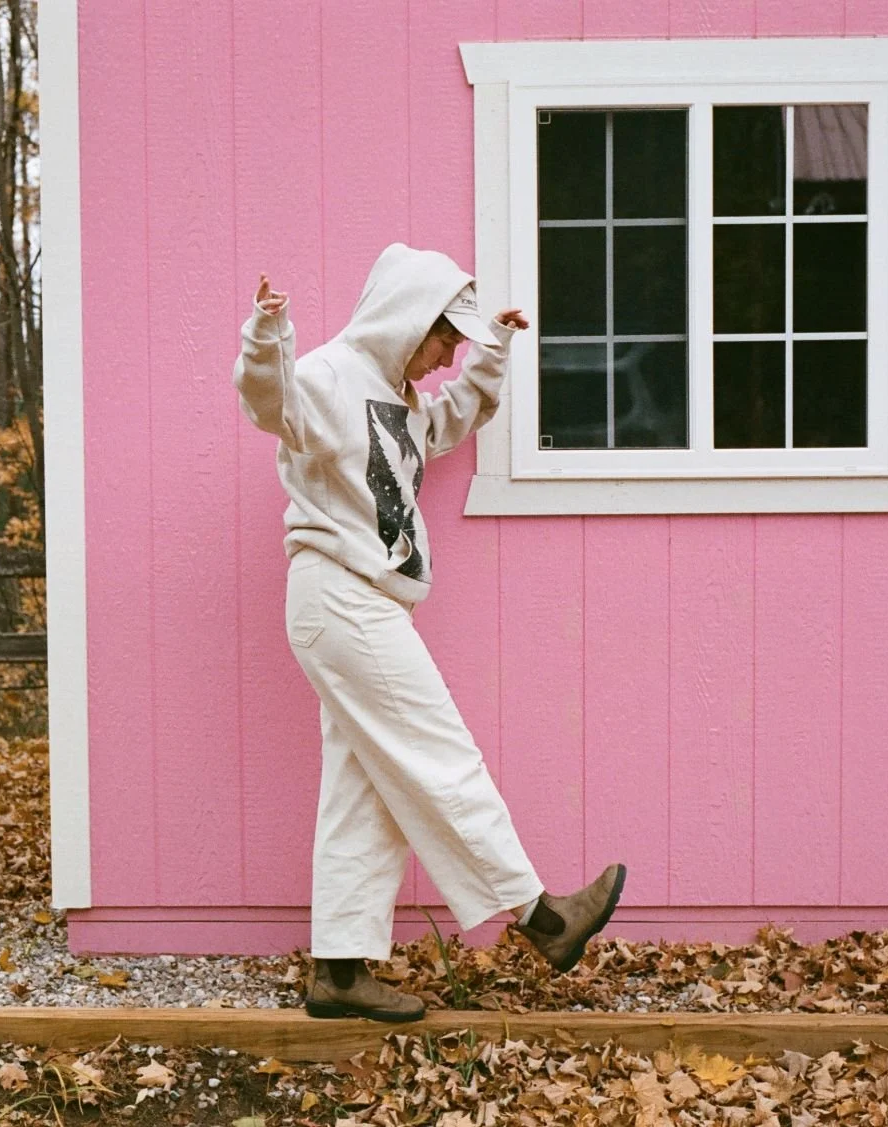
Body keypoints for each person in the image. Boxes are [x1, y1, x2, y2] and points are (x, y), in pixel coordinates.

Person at [233, 243, 626, 1023]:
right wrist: (266, 335)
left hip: (362, 606)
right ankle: (544, 921)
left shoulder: (402, 396)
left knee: (366, 792)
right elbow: (270, 405)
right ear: (408, 319)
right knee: (442, 755)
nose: (449, 354)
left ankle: (341, 973)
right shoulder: (326, 374)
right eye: (445, 337)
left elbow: (452, 420)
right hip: (342, 597)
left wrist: (494, 352)